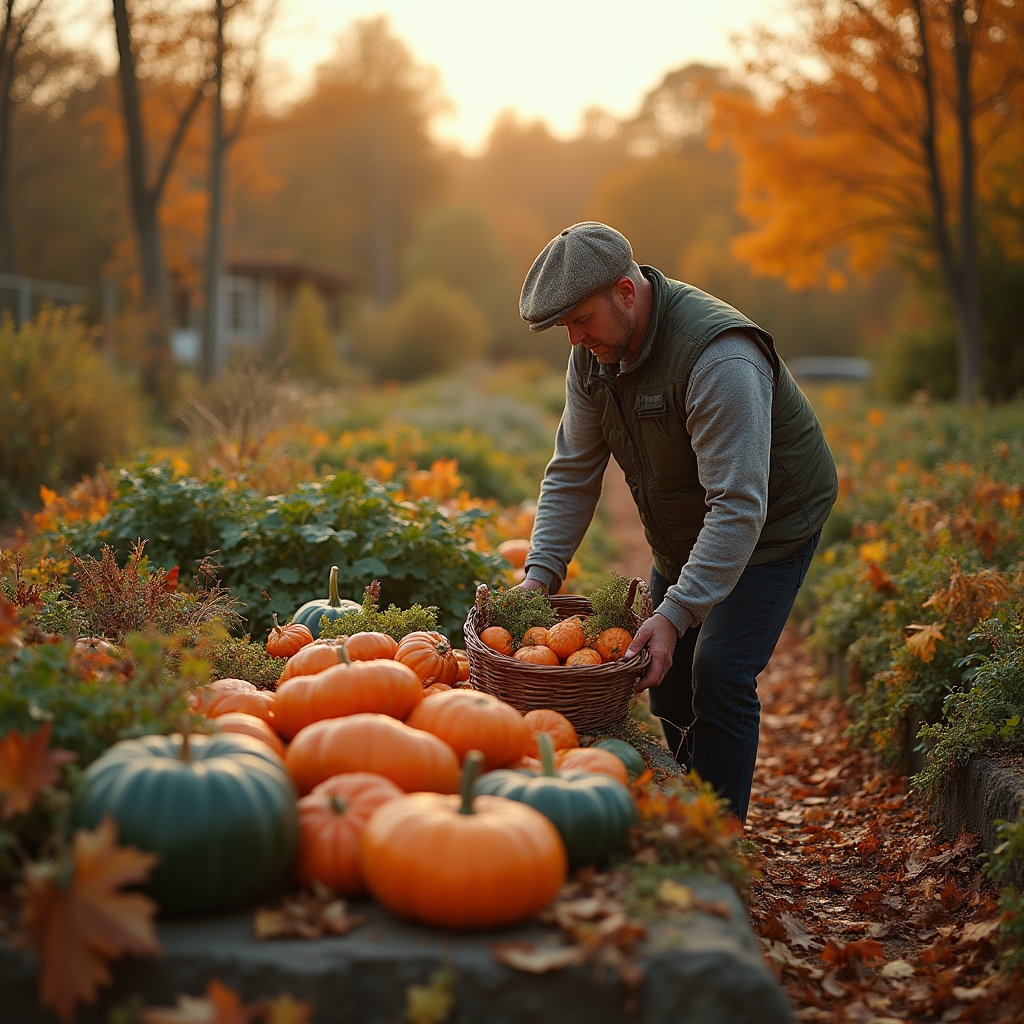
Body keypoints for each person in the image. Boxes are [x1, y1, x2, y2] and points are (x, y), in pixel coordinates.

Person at [517, 221, 838, 823]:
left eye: (580, 319)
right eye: (563, 326)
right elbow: (573, 470)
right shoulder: (594, 356)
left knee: (718, 668)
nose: (573, 338)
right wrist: (540, 574)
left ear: (626, 291)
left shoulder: (720, 358)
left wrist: (678, 611)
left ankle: (719, 836)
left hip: (771, 526)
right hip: (686, 525)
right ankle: (692, 793)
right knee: (664, 673)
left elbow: (740, 505)